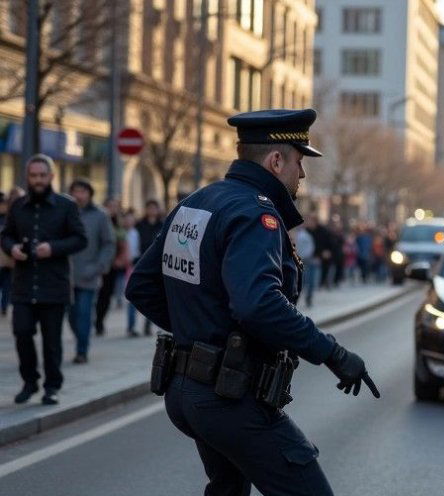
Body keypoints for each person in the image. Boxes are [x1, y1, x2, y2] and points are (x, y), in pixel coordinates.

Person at [126, 109, 379, 495]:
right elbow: (258, 305)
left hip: (186, 391)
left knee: (228, 489)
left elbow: (143, 285)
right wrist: (332, 353)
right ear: (275, 160)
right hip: (228, 397)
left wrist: (199, 336)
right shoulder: (255, 213)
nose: (303, 174)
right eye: (299, 161)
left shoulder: (200, 201)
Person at [1, 154, 87, 405]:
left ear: (51, 177)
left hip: (54, 284)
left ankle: (52, 387)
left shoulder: (66, 205)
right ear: (27, 177)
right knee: (22, 333)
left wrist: (53, 248)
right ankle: (29, 381)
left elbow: (80, 239)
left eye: (42, 175)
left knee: (52, 342)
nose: (37, 180)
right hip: (24, 284)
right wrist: (12, 248)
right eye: (33, 175)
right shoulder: (17, 206)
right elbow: (5, 236)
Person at [67, 179, 116, 364]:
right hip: (65, 275)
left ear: (89, 194)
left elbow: (108, 243)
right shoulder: (65, 213)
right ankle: (80, 338)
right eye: (75, 191)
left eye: (82, 191)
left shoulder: (100, 216)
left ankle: (82, 351)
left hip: (88, 275)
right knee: (71, 316)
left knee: (84, 314)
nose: (78, 195)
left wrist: (99, 266)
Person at [133, 200, 164, 335]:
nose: (151, 211)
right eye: (149, 208)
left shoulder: (163, 224)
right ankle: (132, 325)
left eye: (154, 208)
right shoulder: (140, 225)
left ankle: (148, 323)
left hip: (158, 263)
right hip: (140, 261)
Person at [94, 198, 123, 335]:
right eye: (109, 206)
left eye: (114, 206)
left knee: (106, 295)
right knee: (95, 294)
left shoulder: (119, 225)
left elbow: (124, 244)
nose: (111, 209)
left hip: (113, 266)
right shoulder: (98, 221)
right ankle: (94, 319)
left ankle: (99, 321)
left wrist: (120, 259)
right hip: (97, 263)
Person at [295, 219, 317, 307]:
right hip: (303, 259)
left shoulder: (305, 235)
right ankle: (302, 297)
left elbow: (310, 247)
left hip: (305, 260)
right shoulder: (300, 235)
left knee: (306, 281)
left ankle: (306, 297)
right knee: (303, 281)